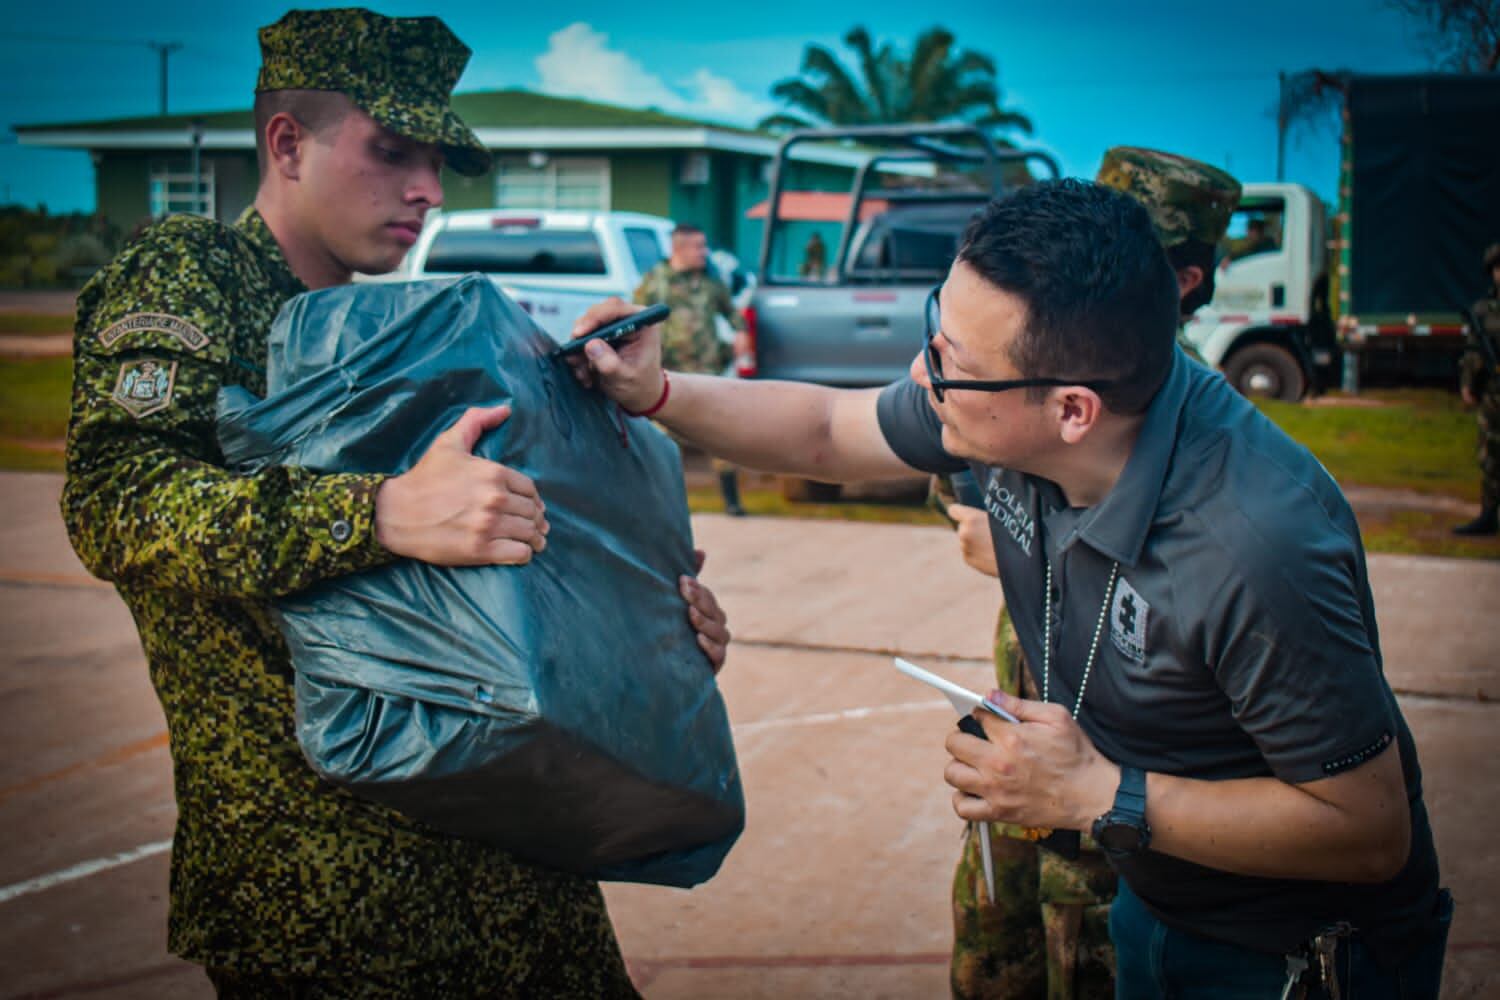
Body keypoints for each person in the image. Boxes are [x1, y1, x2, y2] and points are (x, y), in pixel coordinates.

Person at [570, 178, 1450, 998]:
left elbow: (1367, 832)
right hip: (1159, 898)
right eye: (934, 332)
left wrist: (1100, 795)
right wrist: (657, 391)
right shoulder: (996, 398)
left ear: (1073, 411)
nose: (923, 375)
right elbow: (827, 433)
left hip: (1292, 955)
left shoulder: (1258, 546)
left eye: (950, 361)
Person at [61, 10, 729, 997]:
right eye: (391, 150)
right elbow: (120, 501)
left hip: (517, 873)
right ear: (288, 143)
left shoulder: (421, 330)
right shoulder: (195, 274)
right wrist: (373, 512)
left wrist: (657, 636)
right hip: (325, 906)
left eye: (437, 161)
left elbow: (518, 564)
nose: (425, 189)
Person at [939, 147, 1242, 1000]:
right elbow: (931, 467)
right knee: (994, 958)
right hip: (1024, 732)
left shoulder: (1199, 446)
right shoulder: (1013, 371)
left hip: (1121, 807)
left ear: (1183, 278)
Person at [633, 222, 750, 515]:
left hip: (707, 371)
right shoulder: (654, 282)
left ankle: (732, 502)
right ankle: (661, 505)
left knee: (720, 436)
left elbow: (732, 313)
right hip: (670, 374)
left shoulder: (711, 281)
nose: (704, 252)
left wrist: (741, 334)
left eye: (704, 245)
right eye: (698, 246)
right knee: (663, 443)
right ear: (679, 249)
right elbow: (633, 320)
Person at [1454, 242, 1500, 536]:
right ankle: (1488, 514)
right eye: (1497, 269)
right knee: (1490, 454)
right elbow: (1473, 353)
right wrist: (1468, 385)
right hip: (1493, 394)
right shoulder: (1484, 311)